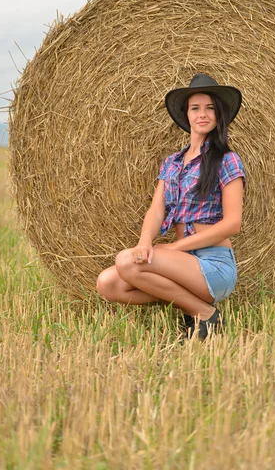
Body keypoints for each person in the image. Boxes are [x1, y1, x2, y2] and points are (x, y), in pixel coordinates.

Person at [96, 73, 246, 340]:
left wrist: (173, 247)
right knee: (108, 283)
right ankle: (198, 310)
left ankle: (204, 314)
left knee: (125, 261)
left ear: (218, 114)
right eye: (195, 108)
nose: (203, 114)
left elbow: (232, 223)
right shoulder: (172, 163)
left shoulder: (227, 160)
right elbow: (156, 210)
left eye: (210, 108)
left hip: (213, 264)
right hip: (182, 264)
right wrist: (145, 241)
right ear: (186, 114)